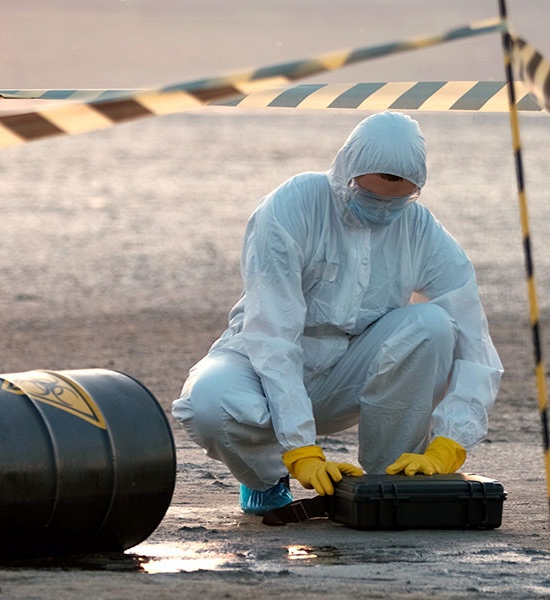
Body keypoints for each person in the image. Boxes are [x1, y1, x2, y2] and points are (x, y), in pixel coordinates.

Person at [172, 111, 503, 516]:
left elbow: (475, 340)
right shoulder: (293, 206)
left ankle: (393, 482)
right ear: (346, 173)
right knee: (208, 404)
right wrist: (300, 450)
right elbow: (273, 332)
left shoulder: (420, 230)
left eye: (398, 200)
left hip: (351, 371)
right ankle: (267, 477)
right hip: (259, 365)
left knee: (433, 326)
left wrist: (451, 441)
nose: (383, 210)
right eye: (371, 196)